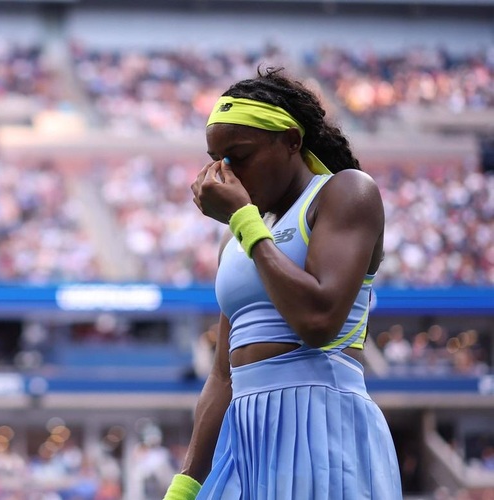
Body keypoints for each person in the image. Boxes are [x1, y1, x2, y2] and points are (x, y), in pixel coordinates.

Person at [163, 68, 402, 499]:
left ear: (292, 141)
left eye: (239, 155)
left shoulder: (347, 192)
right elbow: (222, 375)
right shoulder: (238, 234)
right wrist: (185, 485)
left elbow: (319, 319)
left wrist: (244, 222)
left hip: (324, 427)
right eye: (217, 159)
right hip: (247, 440)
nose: (226, 173)